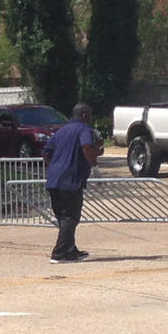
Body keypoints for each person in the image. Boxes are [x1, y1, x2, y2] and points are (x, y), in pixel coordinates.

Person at [42, 102, 103, 262]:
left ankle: (71, 250)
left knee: (63, 218)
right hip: (70, 180)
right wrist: (95, 161)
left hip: (54, 179)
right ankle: (59, 253)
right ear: (84, 115)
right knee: (71, 217)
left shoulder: (61, 131)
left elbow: (46, 153)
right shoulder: (84, 129)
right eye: (89, 116)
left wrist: (56, 167)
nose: (90, 119)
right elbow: (86, 147)